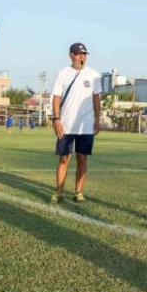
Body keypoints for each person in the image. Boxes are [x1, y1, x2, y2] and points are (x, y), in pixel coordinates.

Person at [49, 42, 102, 204]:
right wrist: (56, 119)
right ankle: (59, 192)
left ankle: (78, 192)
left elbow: (96, 98)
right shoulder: (63, 74)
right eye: (79, 54)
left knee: (82, 158)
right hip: (66, 124)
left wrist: (97, 120)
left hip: (85, 125)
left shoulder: (94, 75)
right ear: (71, 55)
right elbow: (56, 98)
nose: (82, 57)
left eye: (84, 54)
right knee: (64, 158)